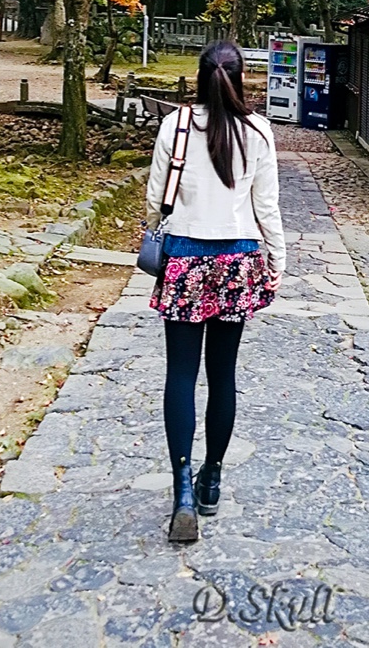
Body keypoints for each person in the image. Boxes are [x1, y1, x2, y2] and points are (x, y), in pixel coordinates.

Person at [144, 38, 284, 543]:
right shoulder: (259, 132)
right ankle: (211, 480)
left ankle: (181, 485)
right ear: (240, 77)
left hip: (184, 255)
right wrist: (278, 260)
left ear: (200, 77)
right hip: (237, 258)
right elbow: (266, 208)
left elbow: (156, 197)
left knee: (180, 373)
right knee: (222, 374)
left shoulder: (175, 125)